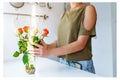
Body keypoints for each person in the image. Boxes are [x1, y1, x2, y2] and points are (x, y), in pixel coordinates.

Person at [29, 2, 97, 74]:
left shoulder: (88, 9)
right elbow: (61, 41)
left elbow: (80, 43)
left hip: (80, 65)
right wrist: (46, 47)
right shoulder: (63, 14)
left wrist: (48, 52)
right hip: (63, 63)